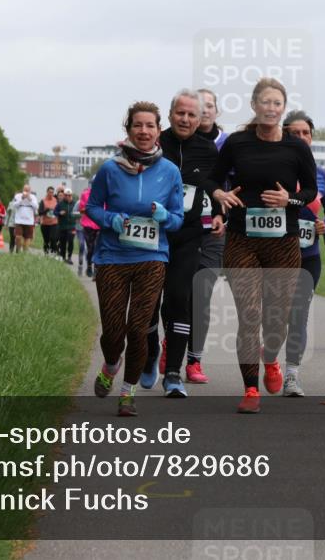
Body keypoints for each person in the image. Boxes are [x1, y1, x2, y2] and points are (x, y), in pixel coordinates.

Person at [202, 77, 317, 414]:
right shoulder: (238, 143)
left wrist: (289, 199)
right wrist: (219, 194)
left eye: (277, 103)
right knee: (250, 315)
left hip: (283, 242)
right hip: (242, 240)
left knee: (277, 318)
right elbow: (212, 178)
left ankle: (271, 359)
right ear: (254, 106)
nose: (271, 108)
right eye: (265, 102)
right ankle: (250, 388)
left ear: (283, 108)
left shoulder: (297, 147)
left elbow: (309, 192)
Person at [86, 101, 184, 416]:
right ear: (128, 129)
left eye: (150, 126)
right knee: (113, 331)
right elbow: (91, 207)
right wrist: (111, 220)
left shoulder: (170, 172)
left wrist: (166, 215)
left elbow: (179, 219)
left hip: (152, 258)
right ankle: (111, 364)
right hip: (113, 257)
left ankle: (127, 393)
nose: (144, 131)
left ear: (158, 131)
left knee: (139, 328)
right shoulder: (110, 168)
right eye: (138, 125)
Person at [150, 89, 220, 398]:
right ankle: (152, 353)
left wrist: (220, 215)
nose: (186, 119)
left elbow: (217, 187)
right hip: (152, 237)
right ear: (170, 114)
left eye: (192, 114)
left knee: (181, 300)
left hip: (190, 237)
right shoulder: (154, 144)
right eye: (181, 113)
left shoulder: (208, 151)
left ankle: (174, 374)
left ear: (200, 118)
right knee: (149, 305)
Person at [274, 111, 325, 396]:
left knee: (298, 313)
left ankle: (292, 374)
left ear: (311, 138)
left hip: (308, 256)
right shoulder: (274, 169)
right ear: (285, 136)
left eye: (306, 133)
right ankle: (269, 360)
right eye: (294, 133)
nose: (301, 138)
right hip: (276, 253)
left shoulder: (321, 176)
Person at [186, 87, 229, 383]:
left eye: (209, 105)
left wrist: (224, 213)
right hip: (182, 227)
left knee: (202, 293)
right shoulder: (177, 141)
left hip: (215, 228)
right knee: (177, 294)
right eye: (198, 106)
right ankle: (169, 343)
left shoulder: (228, 144)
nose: (204, 110)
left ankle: (194, 360)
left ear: (216, 111)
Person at [77, 184, 100, 278]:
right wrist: (89, 209)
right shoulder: (85, 194)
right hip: (88, 224)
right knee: (91, 248)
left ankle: (96, 270)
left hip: (100, 225)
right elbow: (81, 209)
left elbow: (106, 208)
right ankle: (89, 266)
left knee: (98, 247)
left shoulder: (104, 194)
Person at [10, 185, 39, 252]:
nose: (26, 191)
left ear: (30, 191)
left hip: (29, 221)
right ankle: (18, 249)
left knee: (27, 238)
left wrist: (30, 199)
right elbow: (14, 205)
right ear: (23, 190)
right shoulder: (18, 196)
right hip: (19, 220)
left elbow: (36, 207)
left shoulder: (33, 197)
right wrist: (22, 199)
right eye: (25, 190)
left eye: (27, 190)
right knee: (18, 237)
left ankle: (24, 252)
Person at [57, 189, 78, 263]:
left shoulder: (75, 203)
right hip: (62, 226)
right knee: (63, 243)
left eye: (69, 195)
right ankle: (63, 257)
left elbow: (79, 213)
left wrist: (76, 215)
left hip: (72, 226)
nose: (67, 197)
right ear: (64, 195)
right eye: (66, 195)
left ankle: (69, 257)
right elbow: (54, 212)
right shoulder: (60, 203)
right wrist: (59, 213)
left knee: (70, 241)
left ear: (71, 195)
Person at [39, 187, 60, 256]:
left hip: (54, 223)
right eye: (50, 192)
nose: (51, 194)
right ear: (47, 192)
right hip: (45, 224)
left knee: (53, 239)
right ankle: (46, 254)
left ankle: (55, 252)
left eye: (52, 192)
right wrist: (46, 210)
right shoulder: (43, 201)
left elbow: (59, 210)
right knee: (46, 240)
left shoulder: (56, 200)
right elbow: (40, 213)